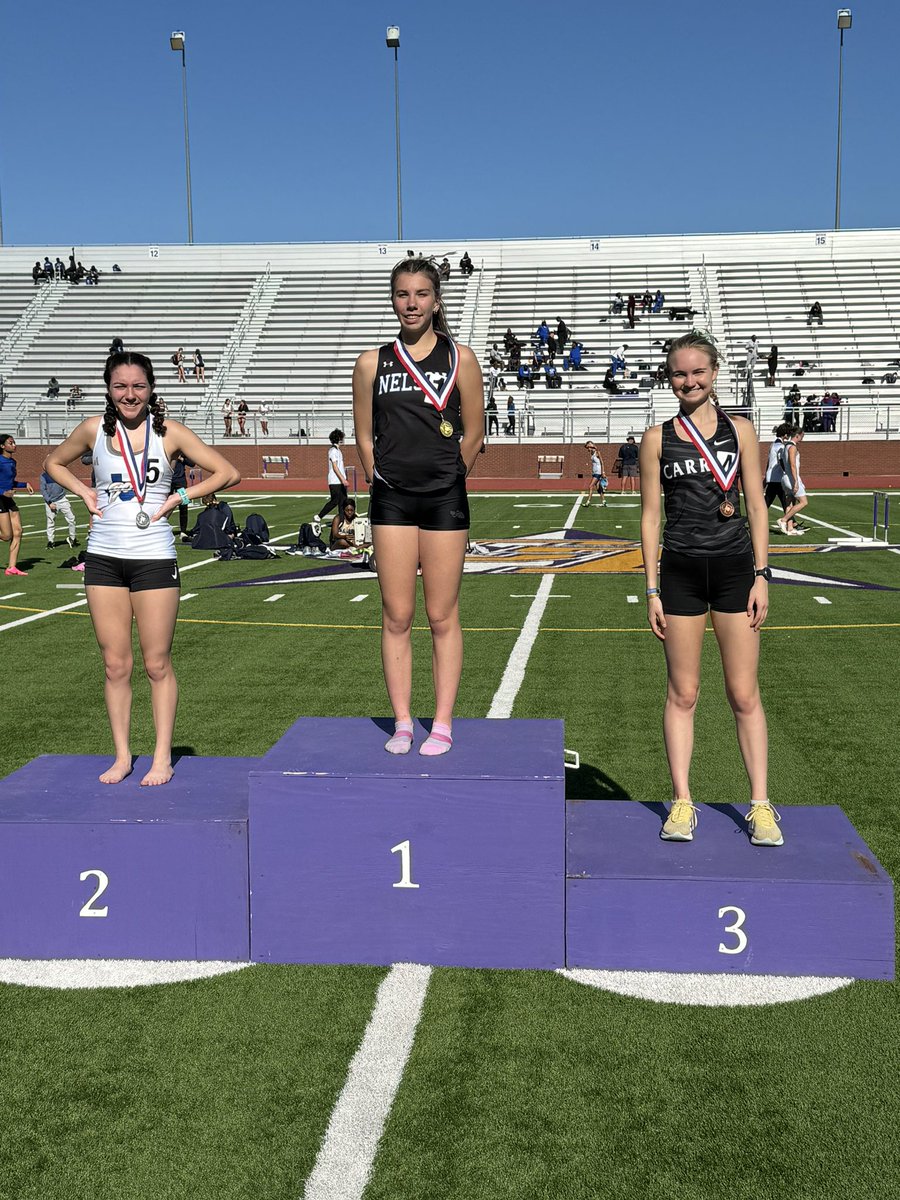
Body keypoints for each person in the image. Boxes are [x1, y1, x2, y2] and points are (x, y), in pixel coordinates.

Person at [44, 351, 240, 787]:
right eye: (120, 386)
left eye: (138, 386)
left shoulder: (168, 433)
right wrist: (83, 491)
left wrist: (180, 499)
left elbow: (228, 472)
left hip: (153, 557)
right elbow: (52, 463)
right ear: (109, 390)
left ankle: (161, 757)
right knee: (115, 665)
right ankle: (121, 756)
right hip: (103, 559)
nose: (129, 394)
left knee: (156, 663)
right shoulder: (94, 429)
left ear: (151, 389)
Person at [639, 331, 781, 847]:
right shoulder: (657, 438)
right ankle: (681, 802)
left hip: (733, 571)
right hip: (679, 573)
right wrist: (652, 588)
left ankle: (761, 805)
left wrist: (763, 575)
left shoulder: (741, 431)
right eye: (679, 373)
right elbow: (651, 516)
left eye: (698, 371)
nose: (689, 381)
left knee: (744, 693)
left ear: (715, 373)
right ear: (668, 378)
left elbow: (757, 507)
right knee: (683, 692)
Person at [352, 255, 484, 757]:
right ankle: (404, 720)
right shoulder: (371, 363)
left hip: (444, 498)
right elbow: (364, 436)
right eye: (403, 294)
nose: (412, 303)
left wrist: (451, 475)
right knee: (396, 613)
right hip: (392, 499)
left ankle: (443, 722)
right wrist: (379, 473)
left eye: (421, 294)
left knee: (442, 613)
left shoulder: (461, 359)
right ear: (393, 298)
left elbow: (475, 430)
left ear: (436, 300)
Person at [0, 435, 34, 576]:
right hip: (0, 499)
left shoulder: (12, 461)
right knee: (7, 535)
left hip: (8, 499)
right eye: (10, 443)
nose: (14, 445)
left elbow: (10, 482)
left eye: (14, 442)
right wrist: (3, 492)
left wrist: (24, 484)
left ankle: (11, 567)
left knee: (18, 532)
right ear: (2, 446)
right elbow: (3, 487)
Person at [777, 429, 807, 536]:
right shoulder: (792, 447)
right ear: (797, 436)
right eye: (801, 437)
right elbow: (793, 465)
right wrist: (795, 482)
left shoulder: (785, 446)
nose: (802, 440)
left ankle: (790, 528)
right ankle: (783, 520)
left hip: (786, 477)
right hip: (791, 478)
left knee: (790, 503)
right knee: (803, 502)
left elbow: (781, 462)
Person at [40, 468, 79, 549]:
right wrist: (49, 502)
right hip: (50, 502)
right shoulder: (43, 476)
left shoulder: (59, 472)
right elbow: (43, 490)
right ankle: (50, 542)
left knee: (71, 518)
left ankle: (72, 538)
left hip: (62, 499)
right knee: (51, 522)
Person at [317, 428, 349, 521]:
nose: (343, 440)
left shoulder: (338, 451)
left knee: (343, 503)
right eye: (341, 438)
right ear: (338, 438)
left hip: (340, 481)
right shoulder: (333, 451)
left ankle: (342, 522)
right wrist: (343, 479)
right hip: (335, 481)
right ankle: (319, 516)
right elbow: (335, 467)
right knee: (334, 501)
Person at [584, 443, 606, 507]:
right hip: (594, 472)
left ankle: (588, 501)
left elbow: (602, 462)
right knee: (598, 488)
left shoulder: (597, 452)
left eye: (588, 447)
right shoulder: (591, 453)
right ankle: (603, 501)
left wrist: (603, 472)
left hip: (598, 472)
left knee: (590, 486)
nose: (588, 449)